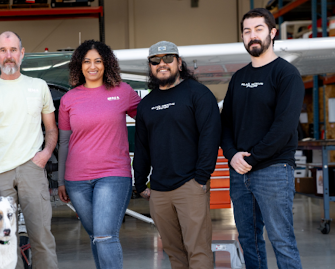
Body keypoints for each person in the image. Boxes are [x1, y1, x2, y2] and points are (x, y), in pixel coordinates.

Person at [220, 8, 303, 269]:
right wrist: (232, 154)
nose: (252, 35)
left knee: (282, 239)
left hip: (274, 170)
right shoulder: (239, 78)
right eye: (247, 31)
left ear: (272, 33)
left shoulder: (286, 74)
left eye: (258, 29)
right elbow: (226, 124)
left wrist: (252, 159)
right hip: (239, 170)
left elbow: (284, 127)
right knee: (248, 239)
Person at [0, 31, 59, 269]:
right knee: (2, 242)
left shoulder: (38, 87)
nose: (8, 56)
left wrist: (45, 153)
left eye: (13, 50)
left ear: (21, 54)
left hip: (33, 168)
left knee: (42, 237)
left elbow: (51, 128)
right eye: (3, 50)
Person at [133, 41, 221, 269]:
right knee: (174, 253)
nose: (162, 64)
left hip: (190, 185)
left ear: (179, 63)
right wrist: (140, 183)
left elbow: (210, 137)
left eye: (168, 59)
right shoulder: (146, 105)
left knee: (198, 251)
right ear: (150, 66)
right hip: (159, 191)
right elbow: (142, 147)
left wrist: (201, 177)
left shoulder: (198, 94)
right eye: (155, 61)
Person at [57, 40, 141, 269]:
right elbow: (64, 141)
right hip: (76, 181)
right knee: (97, 236)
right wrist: (60, 179)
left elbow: (149, 119)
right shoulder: (69, 99)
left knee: (104, 235)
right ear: (79, 65)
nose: (92, 66)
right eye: (86, 61)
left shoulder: (123, 91)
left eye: (98, 61)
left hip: (113, 175)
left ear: (106, 64)